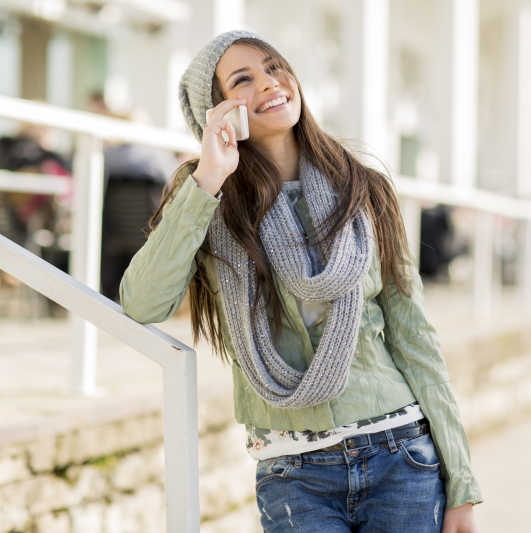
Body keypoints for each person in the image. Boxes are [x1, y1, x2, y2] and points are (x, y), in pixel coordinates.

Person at [119, 30, 482, 532]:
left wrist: (460, 481)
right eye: (243, 79)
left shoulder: (364, 187)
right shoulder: (205, 196)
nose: (270, 83)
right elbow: (142, 303)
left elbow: (414, 336)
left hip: (401, 453)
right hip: (294, 474)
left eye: (274, 67)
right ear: (219, 109)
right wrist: (209, 177)